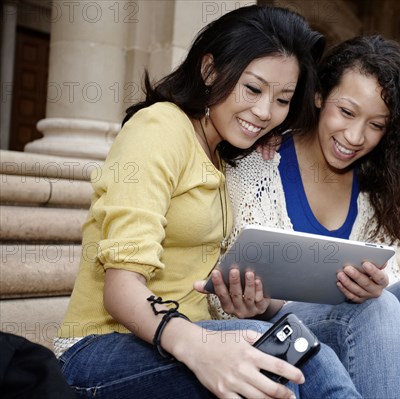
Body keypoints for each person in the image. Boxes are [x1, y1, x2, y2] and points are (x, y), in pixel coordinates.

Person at [53, 6, 363, 399]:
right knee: (291, 362)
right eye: (253, 89)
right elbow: (120, 289)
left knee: (309, 343)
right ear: (210, 71)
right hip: (98, 351)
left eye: (283, 99)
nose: (265, 112)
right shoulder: (159, 129)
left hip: (181, 336)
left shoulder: (222, 153)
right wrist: (201, 348)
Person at [200, 35, 400, 398]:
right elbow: (214, 289)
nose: (355, 136)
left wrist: (375, 286)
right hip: (270, 340)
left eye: (376, 125)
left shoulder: (375, 191)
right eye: (346, 112)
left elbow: (389, 292)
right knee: (374, 311)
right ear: (319, 96)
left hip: (362, 337)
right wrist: (256, 303)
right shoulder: (254, 164)